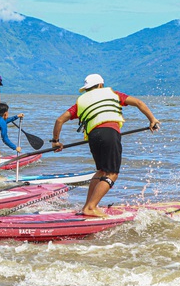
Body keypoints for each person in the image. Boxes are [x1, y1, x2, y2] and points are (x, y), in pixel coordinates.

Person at [51, 73, 160, 217]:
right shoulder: (113, 94)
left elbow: (59, 120)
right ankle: (90, 207)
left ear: (87, 89)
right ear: (101, 85)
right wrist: (152, 119)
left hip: (93, 137)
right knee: (112, 173)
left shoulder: (81, 102)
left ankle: (87, 205)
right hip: (109, 134)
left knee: (102, 171)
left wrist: (55, 141)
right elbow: (139, 103)